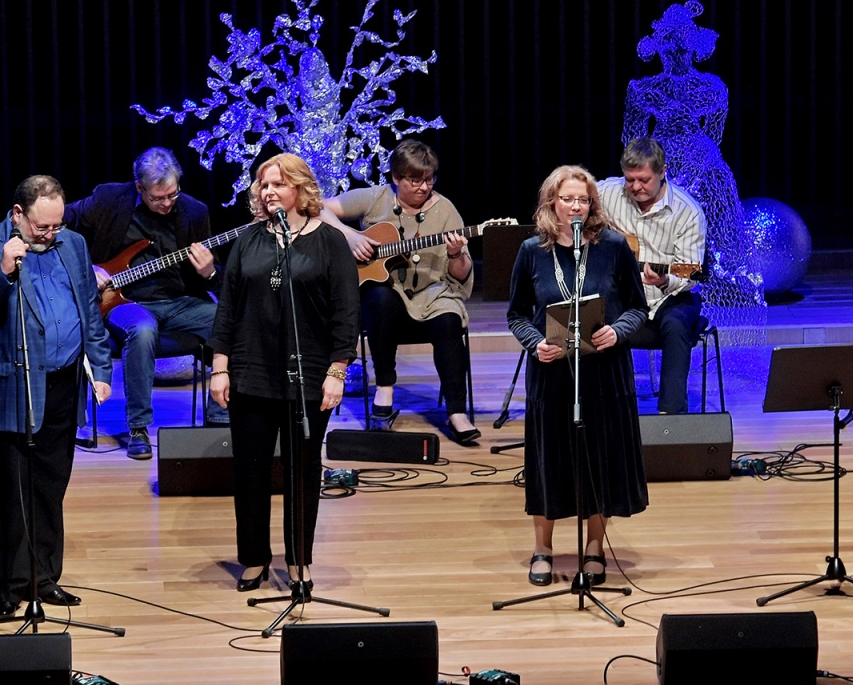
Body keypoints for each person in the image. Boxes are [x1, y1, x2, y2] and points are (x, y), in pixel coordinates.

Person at [0, 175, 113, 619]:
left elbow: (89, 310)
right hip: (16, 383)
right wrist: (2, 272)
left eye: (57, 226)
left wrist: (101, 369)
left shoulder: (73, 245)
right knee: (15, 491)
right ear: (18, 214)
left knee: (50, 485)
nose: (50, 234)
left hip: (64, 381)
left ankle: (43, 579)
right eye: (42, 227)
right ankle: (7, 586)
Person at [209, 154, 359, 593]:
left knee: (303, 472)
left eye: (277, 183)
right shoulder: (248, 240)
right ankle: (254, 559)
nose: (268, 191)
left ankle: (298, 561)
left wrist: (337, 371)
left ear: (300, 188)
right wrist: (220, 367)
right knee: (250, 472)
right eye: (263, 184)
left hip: (308, 375)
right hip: (250, 371)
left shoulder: (330, 242)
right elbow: (227, 308)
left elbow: (346, 312)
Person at [507, 166, 650, 586]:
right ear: (552, 202)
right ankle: (543, 549)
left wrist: (618, 331)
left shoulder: (614, 247)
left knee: (598, 460)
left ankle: (594, 549)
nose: (576, 207)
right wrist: (535, 342)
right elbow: (516, 314)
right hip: (552, 372)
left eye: (583, 200)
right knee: (549, 460)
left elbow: (638, 308)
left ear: (592, 205)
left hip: (604, 371)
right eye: (568, 199)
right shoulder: (532, 251)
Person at [63, 147, 223, 460]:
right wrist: (86, 267)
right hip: (123, 302)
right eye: (157, 198)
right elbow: (59, 223)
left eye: (172, 195)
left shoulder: (195, 211)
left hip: (179, 302)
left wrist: (209, 272)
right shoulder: (110, 199)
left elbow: (214, 274)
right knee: (143, 328)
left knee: (228, 318)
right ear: (139, 187)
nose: (167, 203)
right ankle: (138, 427)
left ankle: (219, 421)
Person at [319, 139, 479, 444]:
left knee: (449, 319)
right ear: (395, 177)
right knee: (380, 298)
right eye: (415, 180)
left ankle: (457, 412)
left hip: (432, 296)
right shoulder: (376, 197)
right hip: (384, 302)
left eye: (429, 179)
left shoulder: (446, 210)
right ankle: (385, 387)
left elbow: (460, 274)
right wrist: (351, 237)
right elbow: (318, 208)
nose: (423, 187)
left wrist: (457, 254)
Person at [598, 137, 706, 414]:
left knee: (676, 325)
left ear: (662, 172)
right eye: (630, 180)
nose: (635, 187)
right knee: (588, 318)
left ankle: (670, 415)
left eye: (644, 180)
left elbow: (691, 272)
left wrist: (666, 280)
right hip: (622, 294)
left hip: (671, 295)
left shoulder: (688, 212)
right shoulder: (609, 192)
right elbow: (573, 195)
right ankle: (599, 410)